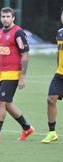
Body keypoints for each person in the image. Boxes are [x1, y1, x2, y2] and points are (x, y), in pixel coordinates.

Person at [0, 7, 34, 142]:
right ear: (0, 18)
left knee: (0, 102)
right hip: (2, 74)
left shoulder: (18, 33)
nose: (5, 19)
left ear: (13, 18)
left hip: (13, 74)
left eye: (8, 16)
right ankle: (27, 128)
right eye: (3, 16)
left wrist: (22, 76)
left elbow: (25, 55)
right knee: (7, 104)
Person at [41, 7, 63, 144]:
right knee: (50, 99)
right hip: (60, 74)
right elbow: (58, 53)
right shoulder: (60, 33)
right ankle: (52, 132)